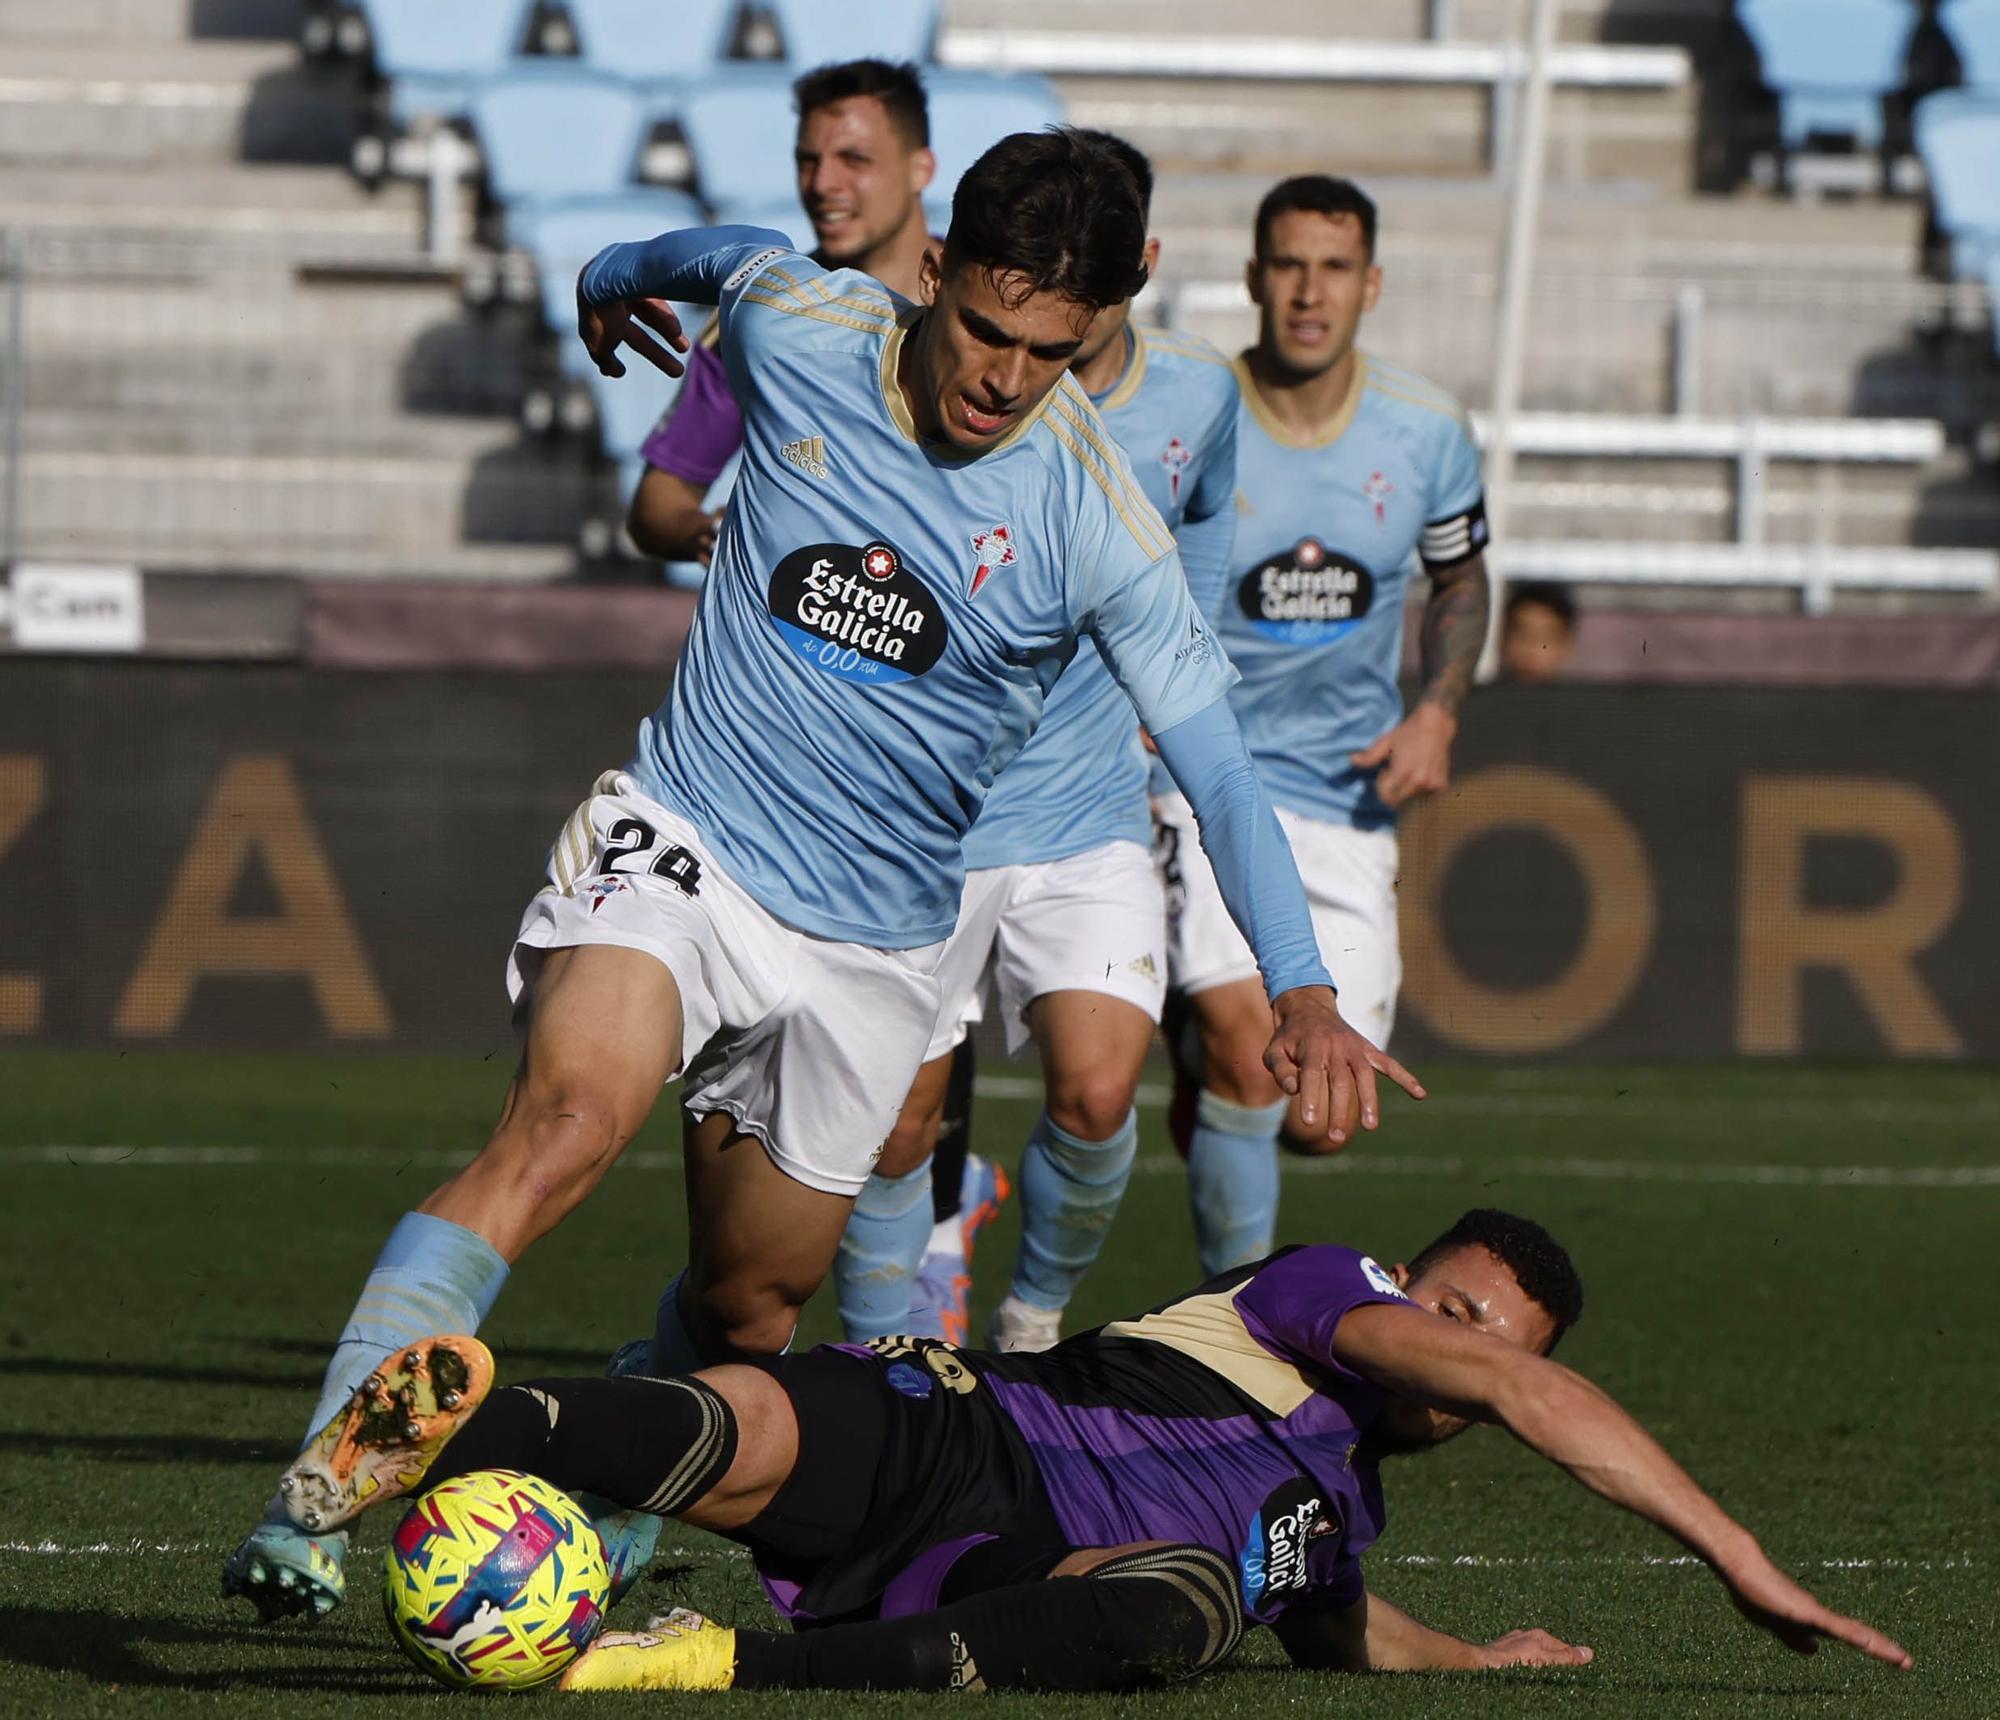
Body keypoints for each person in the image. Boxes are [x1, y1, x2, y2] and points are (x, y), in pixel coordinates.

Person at [222, 130, 1419, 1623]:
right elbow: (710, 255)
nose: (1002, 376)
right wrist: (606, 284)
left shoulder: (1096, 523)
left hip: (871, 947)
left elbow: (1223, 769)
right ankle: (318, 1484)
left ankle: (602, 1490)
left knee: (749, 1303)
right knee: (568, 1118)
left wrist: (1301, 985)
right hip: (690, 837)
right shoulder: (805, 329)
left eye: (1050, 351)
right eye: (986, 325)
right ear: (932, 272)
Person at [283, 1208, 1912, 1694]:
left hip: (1005, 1577)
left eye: (1502, 1344)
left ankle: (691, 1661)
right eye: (1464, 1313)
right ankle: (407, 1447)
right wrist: (1744, 1562)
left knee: (1195, 1601)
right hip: (962, 1432)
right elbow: (1551, 1408)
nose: (1474, 1354)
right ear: (1418, 1284)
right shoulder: (1321, 1291)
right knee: (750, 1411)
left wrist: (1480, 1655)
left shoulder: (1333, 1515)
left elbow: (1342, 1627)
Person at [838, 129, 1240, 1356]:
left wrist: (1179, 659)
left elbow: (1208, 510)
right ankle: (880, 1369)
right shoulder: (916, 375)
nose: (1016, 368)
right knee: (895, 1129)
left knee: (1100, 1088)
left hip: (1084, 813)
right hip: (927, 825)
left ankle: (1027, 1322)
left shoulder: (1192, 395)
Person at [1155, 174, 1491, 1277]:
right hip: (1202, 778)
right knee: (1251, 1063)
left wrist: (1437, 708)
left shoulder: (1428, 430)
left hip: (1346, 797)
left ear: (1370, 284)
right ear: (1253, 278)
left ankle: (1194, 1064)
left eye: (1333, 268)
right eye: (1288, 266)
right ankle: (1232, 1344)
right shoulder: (1187, 411)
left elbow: (1458, 580)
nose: (1309, 292)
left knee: (1318, 1113)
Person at [626, 58, 937, 566]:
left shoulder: (985, 307)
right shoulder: (764, 310)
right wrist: (704, 533)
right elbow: (657, 505)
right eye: (807, 160)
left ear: (920, 168)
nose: (821, 183)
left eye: (854, 159)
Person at [1498, 580, 1578, 682]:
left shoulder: (1578, 697)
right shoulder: (1479, 695)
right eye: (1523, 636)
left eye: (1545, 640)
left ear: (1566, 644)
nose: (1531, 650)